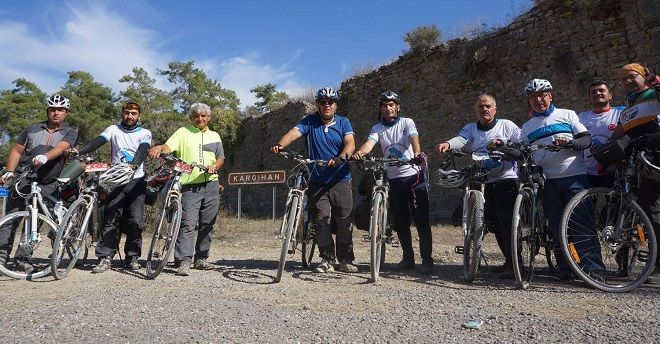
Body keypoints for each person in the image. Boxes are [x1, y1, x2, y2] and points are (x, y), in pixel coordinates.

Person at [519, 78, 602, 280]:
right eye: (533, 97)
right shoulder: (527, 127)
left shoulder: (567, 115)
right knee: (556, 226)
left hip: (575, 176)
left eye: (542, 95)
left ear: (550, 96)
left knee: (582, 223)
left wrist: (571, 144)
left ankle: (593, 269)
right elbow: (523, 154)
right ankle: (566, 268)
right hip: (548, 181)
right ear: (529, 101)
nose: (538, 100)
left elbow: (586, 139)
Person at [270, 87, 357, 273]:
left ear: (335, 105)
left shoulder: (343, 122)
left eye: (330, 102)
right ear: (318, 104)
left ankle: (345, 259)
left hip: (340, 177)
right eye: (323, 102)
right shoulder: (309, 122)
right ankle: (326, 259)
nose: (327, 105)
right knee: (320, 219)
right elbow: (294, 133)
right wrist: (280, 144)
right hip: (318, 180)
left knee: (343, 219)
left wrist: (341, 157)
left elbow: (350, 143)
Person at [435, 94, 521, 279]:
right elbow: (462, 140)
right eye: (481, 106)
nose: (485, 109)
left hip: (506, 177)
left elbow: (521, 143)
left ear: (495, 109)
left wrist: (503, 145)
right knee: (494, 223)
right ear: (476, 110)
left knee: (508, 222)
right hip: (485, 180)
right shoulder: (471, 128)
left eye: (488, 106)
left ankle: (517, 263)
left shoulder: (506, 125)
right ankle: (509, 261)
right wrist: (448, 144)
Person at [352, 91, 433, 274]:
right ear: (380, 109)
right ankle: (408, 259)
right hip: (394, 179)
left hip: (413, 176)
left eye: (391, 105)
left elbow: (414, 139)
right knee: (401, 221)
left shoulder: (407, 122)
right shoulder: (377, 128)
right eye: (384, 105)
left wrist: (418, 153)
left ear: (397, 107)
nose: (387, 108)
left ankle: (427, 260)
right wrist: (360, 153)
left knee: (421, 220)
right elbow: (369, 143)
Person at [0, 94, 78, 272]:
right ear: (47, 111)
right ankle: (1, 257)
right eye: (52, 109)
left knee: (35, 221)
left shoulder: (70, 131)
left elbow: (61, 148)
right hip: (23, 177)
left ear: (66, 112)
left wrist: (45, 156)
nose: (56, 113)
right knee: (10, 219)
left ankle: (22, 259)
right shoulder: (32, 129)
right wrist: (10, 171)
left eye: (60, 110)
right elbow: (17, 150)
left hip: (48, 181)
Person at [74, 101, 152, 273]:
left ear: (139, 116)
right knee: (111, 218)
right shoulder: (113, 129)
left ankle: (132, 257)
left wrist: (135, 164)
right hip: (115, 179)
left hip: (136, 180)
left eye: (133, 113)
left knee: (135, 221)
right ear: (122, 114)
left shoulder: (145, 132)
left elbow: (144, 148)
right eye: (126, 112)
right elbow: (99, 140)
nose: (129, 116)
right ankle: (104, 257)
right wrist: (80, 151)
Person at [148, 103, 224, 276]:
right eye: (196, 116)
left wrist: (214, 166)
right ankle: (184, 260)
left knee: (208, 223)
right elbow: (168, 147)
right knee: (187, 223)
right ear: (192, 118)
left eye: (203, 115)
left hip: (211, 183)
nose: (200, 118)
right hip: (190, 184)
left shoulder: (215, 135)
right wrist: (159, 147)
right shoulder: (183, 132)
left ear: (208, 118)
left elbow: (221, 158)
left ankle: (201, 258)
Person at [609, 63, 660, 284]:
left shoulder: (653, 93)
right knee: (651, 211)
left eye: (632, 77)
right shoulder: (627, 109)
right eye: (623, 79)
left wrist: (657, 83)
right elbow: (619, 134)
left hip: (658, 156)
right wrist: (601, 151)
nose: (628, 82)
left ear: (644, 76)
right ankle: (657, 265)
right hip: (643, 163)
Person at [577, 81, 623, 187]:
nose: (597, 93)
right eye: (593, 92)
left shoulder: (621, 112)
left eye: (601, 90)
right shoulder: (581, 117)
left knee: (614, 203)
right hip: (588, 171)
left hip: (616, 169)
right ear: (589, 98)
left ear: (610, 95)